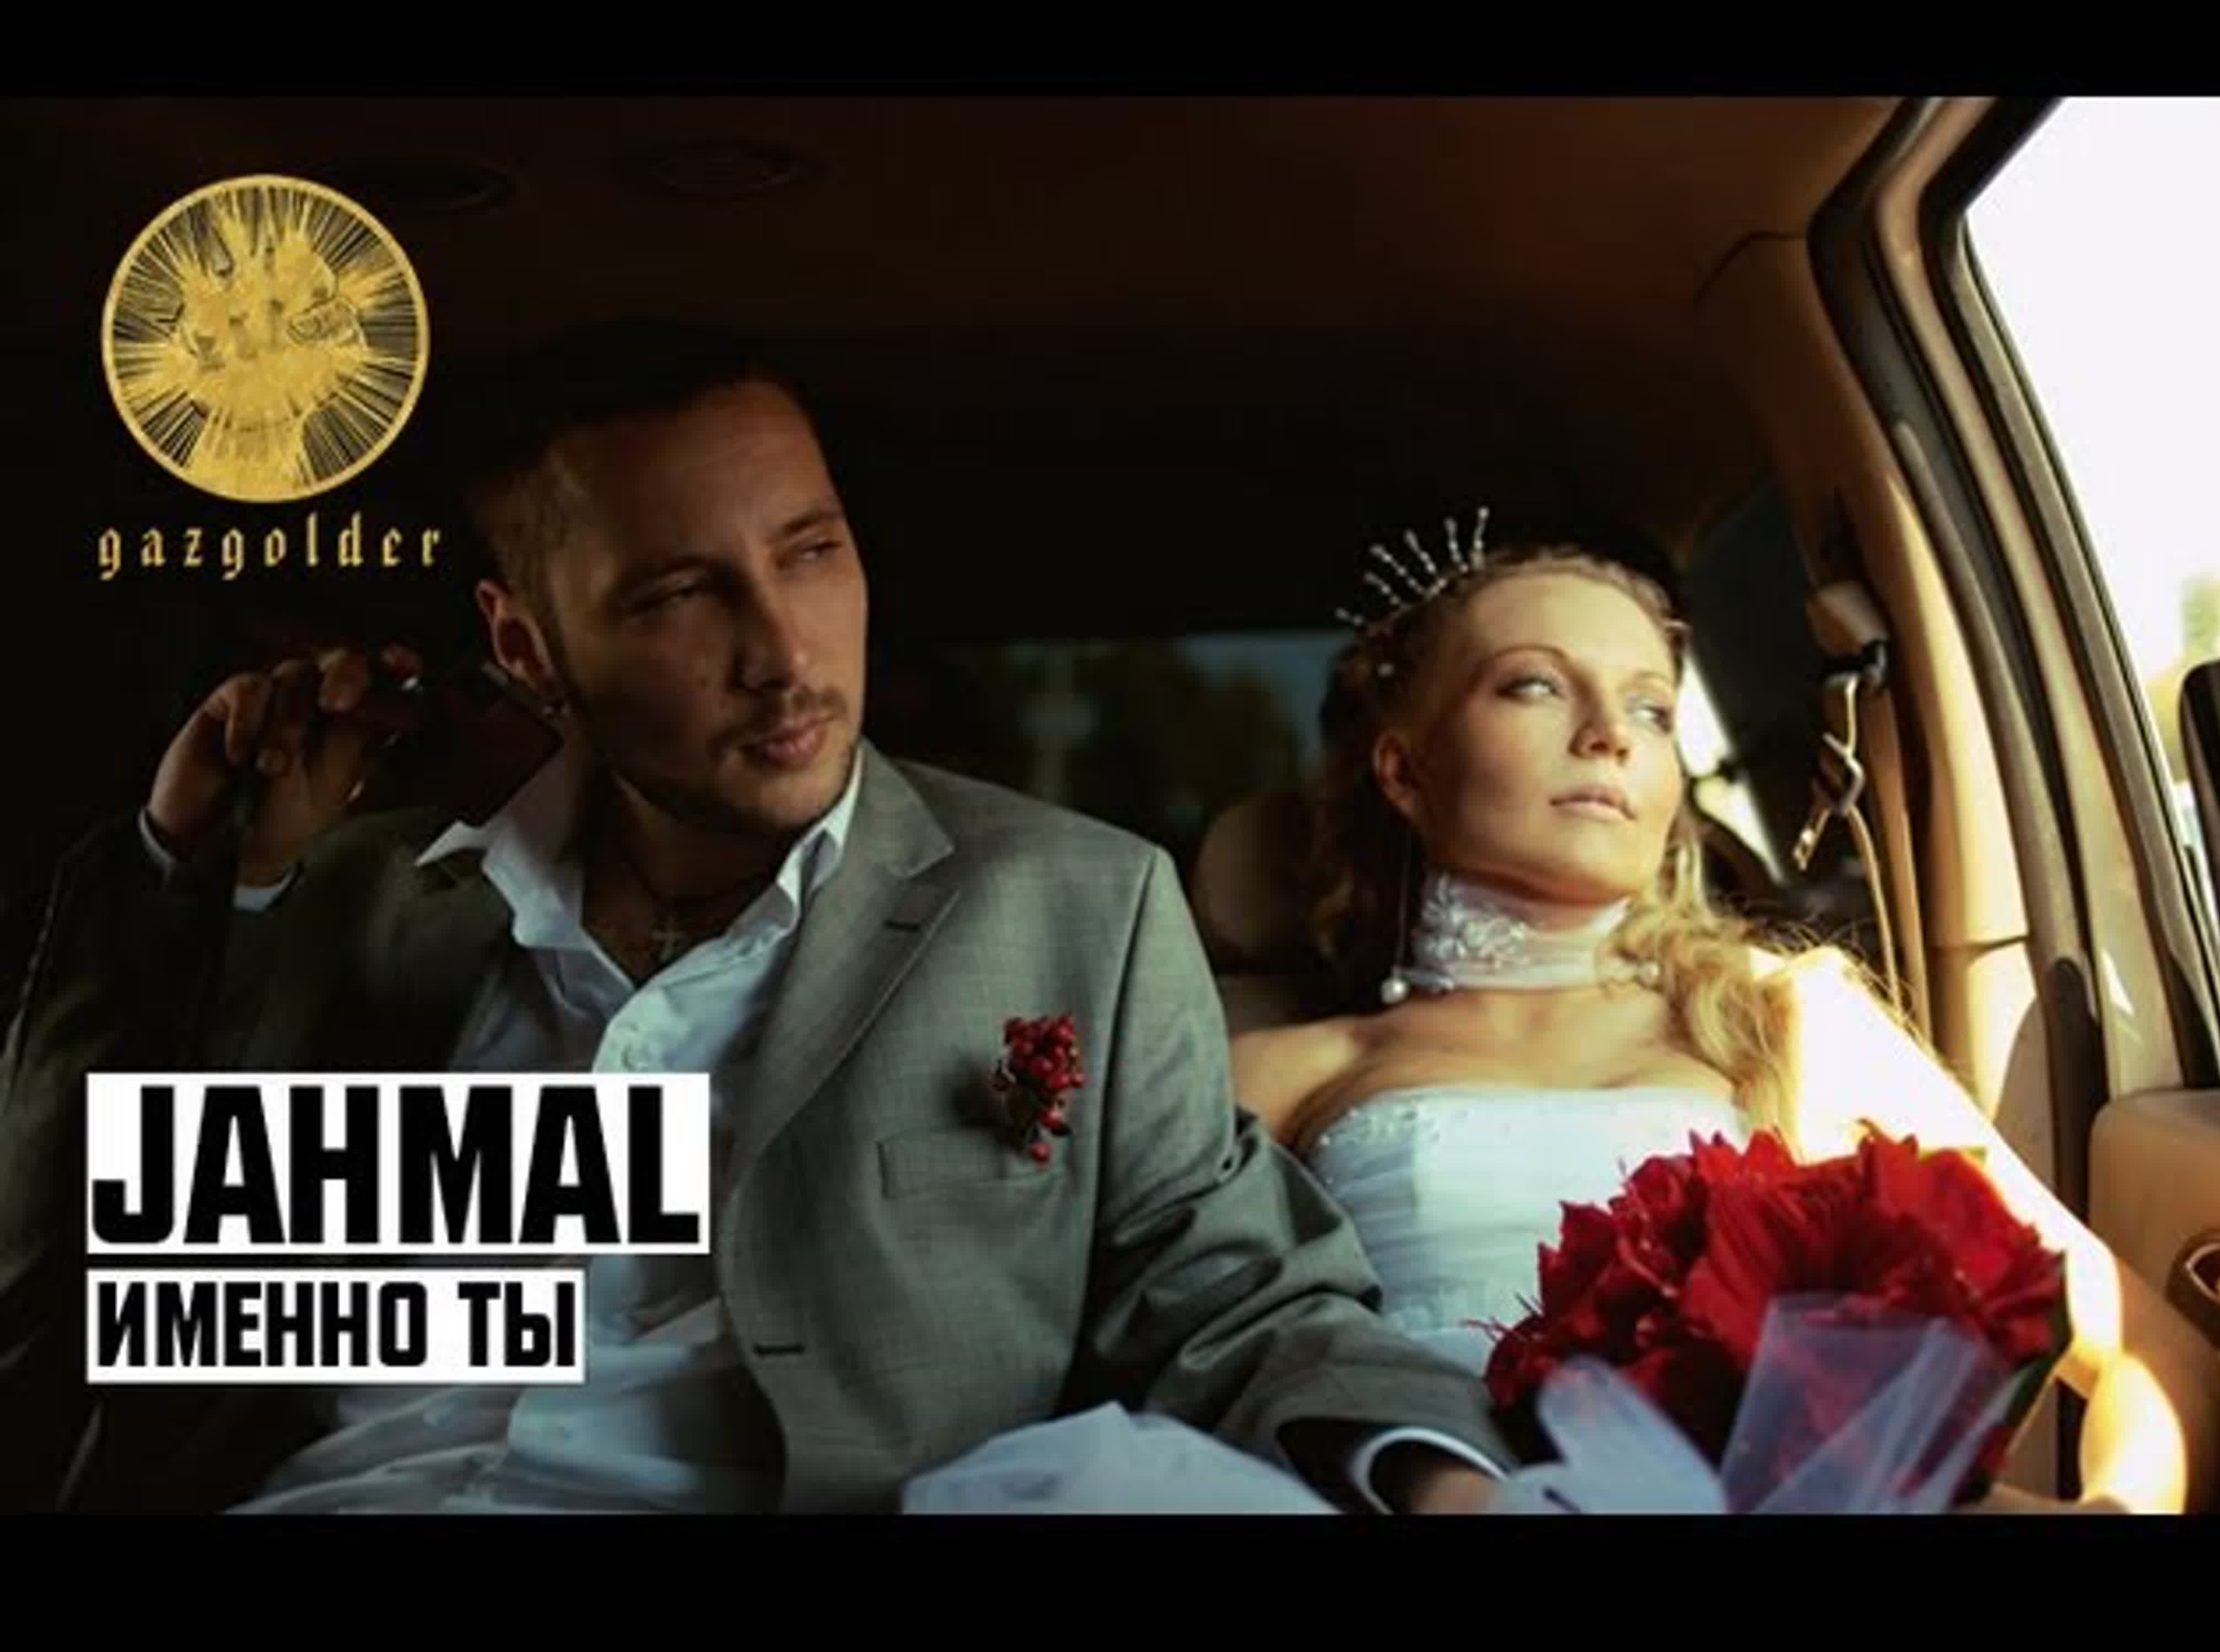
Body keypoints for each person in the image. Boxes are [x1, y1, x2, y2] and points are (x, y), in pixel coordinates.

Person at [0, 321, 1510, 1514]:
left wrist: (1437, 1483)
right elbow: (68, 1288)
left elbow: (1233, 1301)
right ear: (527, 645)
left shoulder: (1069, 906)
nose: (783, 652)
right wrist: (185, 867)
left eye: (810, 550)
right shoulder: (367, 903)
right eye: (678, 595)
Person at [1218, 525, 2220, 1513]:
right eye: (1535, 685)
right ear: (1404, 770)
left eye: (1652, 709)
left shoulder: (1780, 1018)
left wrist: (2115, 1507)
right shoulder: (1279, 1073)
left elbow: (2146, 1351)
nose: (1609, 733)